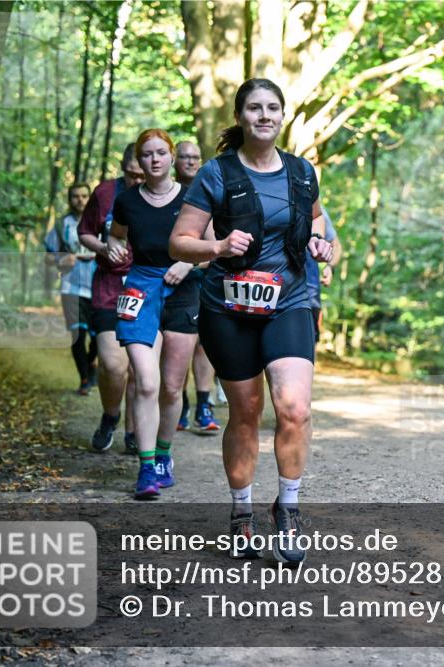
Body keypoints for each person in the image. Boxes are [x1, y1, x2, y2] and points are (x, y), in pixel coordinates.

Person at [170, 78, 333, 563]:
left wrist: (322, 244)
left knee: (294, 408)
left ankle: (289, 506)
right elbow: (180, 241)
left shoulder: (302, 173)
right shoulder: (216, 174)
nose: (264, 115)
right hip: (229, 306)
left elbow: (320, 222)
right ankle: (242, 513)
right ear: (240, 117)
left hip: (290, 300)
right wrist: (217, 247)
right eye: (255, 108)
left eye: (273, 108)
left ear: (283, 116)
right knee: (244, 412)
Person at [109, 128, 200, 499]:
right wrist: (114, 248)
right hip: (141, 288)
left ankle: (164, 454)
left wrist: (190, 264)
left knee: (172, 386)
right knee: (145, 381)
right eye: (147, 154)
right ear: (139, 161)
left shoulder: (194, 197)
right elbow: (116, 234)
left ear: (173, 156)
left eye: (162, 152)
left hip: (183, 288)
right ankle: (146, 468)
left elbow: (214, 244)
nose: (155, 160)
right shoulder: (128, 201)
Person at [78, 144, 143, 453]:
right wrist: (103, 247)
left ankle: (133, 432)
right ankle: (110, 416)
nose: (138, 178)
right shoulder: (105, 193)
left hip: (147, 288)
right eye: (132, 172)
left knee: (137, 367)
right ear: (124, 165)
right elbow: (85, 232)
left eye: (143, 172)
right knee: (112, 365)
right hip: (109, 285)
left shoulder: (167, 195)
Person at [174, 140, 221, 433]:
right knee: (177, 348)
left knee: (204, 346)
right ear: (173, 160)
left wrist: (188, 264)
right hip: (167, 284)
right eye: (184, 157)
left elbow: (214, 246)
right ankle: (180, 404)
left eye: (195, 158)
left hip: (203, 281)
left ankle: (205, 406)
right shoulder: (165, 193)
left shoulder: (210, 192)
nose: (190, 162)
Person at [44, 182, 98, 394]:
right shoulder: (61, 225)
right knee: (77, 335)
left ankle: (91, 363)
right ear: (70, 199)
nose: (80, 200)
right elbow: (48, 256)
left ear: (90, 198)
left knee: (98, 337)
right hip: (71, 287)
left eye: (84, 196)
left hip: (99, 286)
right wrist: (60, 259)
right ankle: (84, 379)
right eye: (76, 196)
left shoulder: (101, 222)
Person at [307, 204, 342, 348]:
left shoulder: (316, 210)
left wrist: (330, 267)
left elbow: (336, 246)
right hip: (265, 284)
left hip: (308, 293)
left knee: (306, 346)